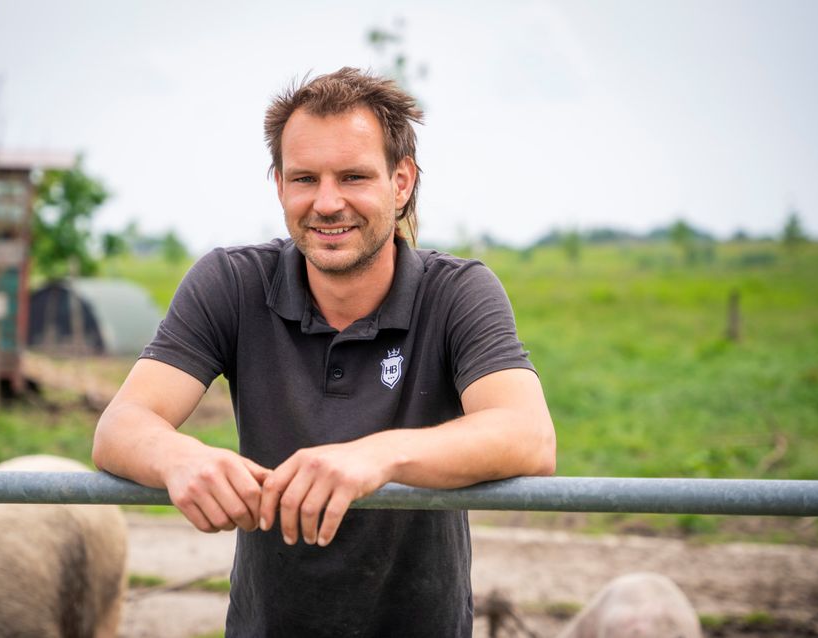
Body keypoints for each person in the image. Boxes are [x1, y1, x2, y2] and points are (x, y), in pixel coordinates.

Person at [92, 67, 556, 636]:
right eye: (305, 178)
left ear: (402, 182)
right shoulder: (229, 282)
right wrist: (178, 457)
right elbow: (121, 425)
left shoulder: (457, 292)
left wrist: (374, 457)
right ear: (280, 184)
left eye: (355, 176)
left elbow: (528, 436)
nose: (328, 203)